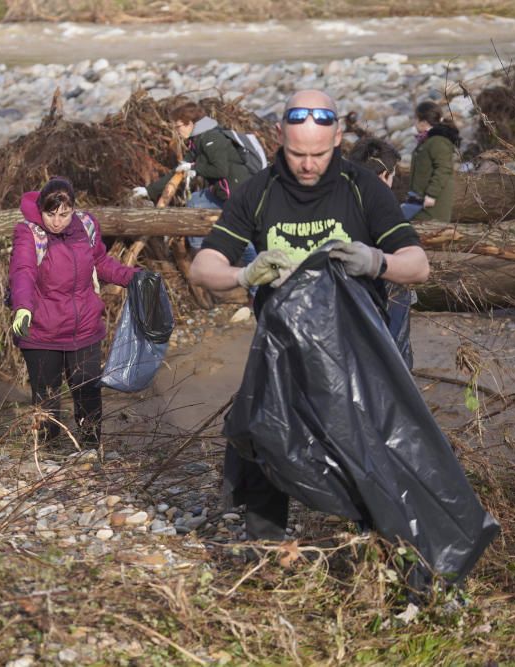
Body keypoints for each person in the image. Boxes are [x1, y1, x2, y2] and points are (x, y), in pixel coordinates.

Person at [189, 90, 430, 541]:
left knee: (369, 457)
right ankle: (267, 550)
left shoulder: (364, 188)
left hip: (354, 354)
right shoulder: (257, 193)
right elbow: (204, 268)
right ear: (278, 137)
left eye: (319, 154)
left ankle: (374, 544)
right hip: (282, 354)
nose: (307, 164)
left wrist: (376, 261)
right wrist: (246, 274)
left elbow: (418, 264)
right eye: (297, 152)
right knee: (263, 440)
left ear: (338, 138)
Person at [9, 177, 139, 450]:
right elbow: (23, 271)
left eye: (64, 214)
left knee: (88, 392)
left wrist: (134, 278)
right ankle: (48, 452)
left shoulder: (86, 226)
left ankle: (91, 449)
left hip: (85, 328)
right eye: (51, 214)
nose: (57, 221)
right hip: (43, 331)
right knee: (46, 397)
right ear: (41, 209)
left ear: (73, 210)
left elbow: (101, 263)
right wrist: (22, 307)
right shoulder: (29, 232)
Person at [136, 102, 257, 260]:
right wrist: (149, 190)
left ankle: (258, 278)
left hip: (236, 194)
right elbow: (179, 170)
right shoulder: (197, 140)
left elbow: (220, 170)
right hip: (221, 193)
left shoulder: (212, 138)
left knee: (244, 242)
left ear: (190, 124)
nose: (177, 132)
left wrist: (195, 169)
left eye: (178, 127)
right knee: (195, 200)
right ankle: (201, 254)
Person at [348, 136, 416, 368]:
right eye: (393, 174)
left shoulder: (336, 197)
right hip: (382, 290)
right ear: (384, 174)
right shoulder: (382, 202)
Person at [407, 100, 460, 222]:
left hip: (431, 204)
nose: (414, 122)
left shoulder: (438, 141)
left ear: (424, 122)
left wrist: (431, 195)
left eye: (416, 119)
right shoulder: (428, 139)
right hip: (420, 199)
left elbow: (444, 169)